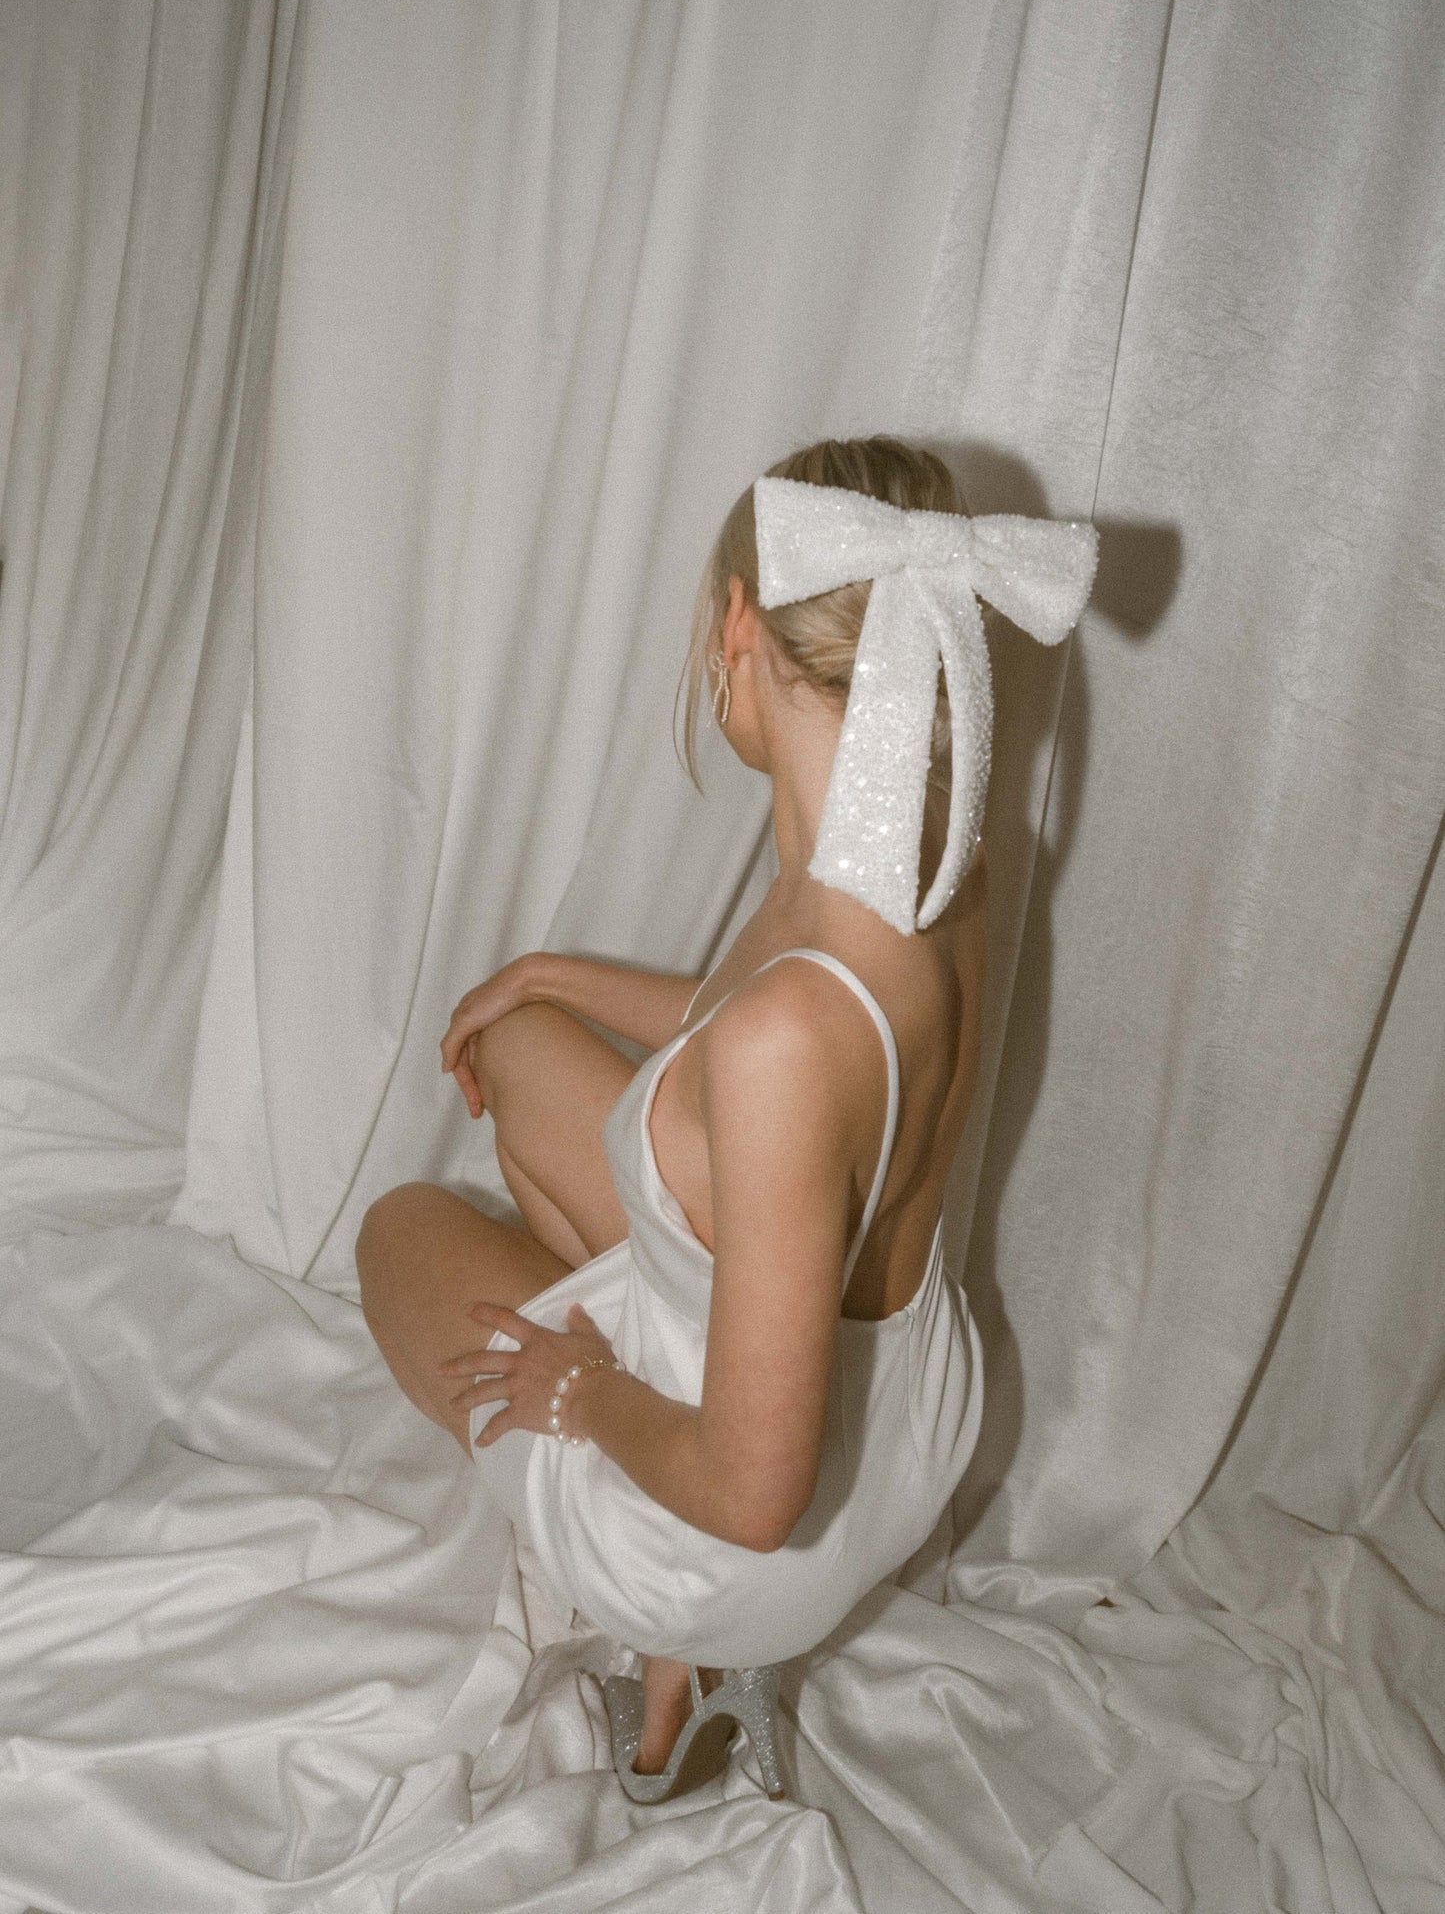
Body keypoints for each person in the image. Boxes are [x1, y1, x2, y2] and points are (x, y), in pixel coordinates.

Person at [356, 435, 1097, 1802]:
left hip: (748, 1529)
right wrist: (555, 977)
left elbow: (757, 1488)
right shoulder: (938, 861)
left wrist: (580, 1391)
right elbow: (786, 1033)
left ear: (738, 632)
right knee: (524, 1049)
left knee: (401, 1233)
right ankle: (679, 1669)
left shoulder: (776, 1050)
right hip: (903, 1416)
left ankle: (680, 1657)